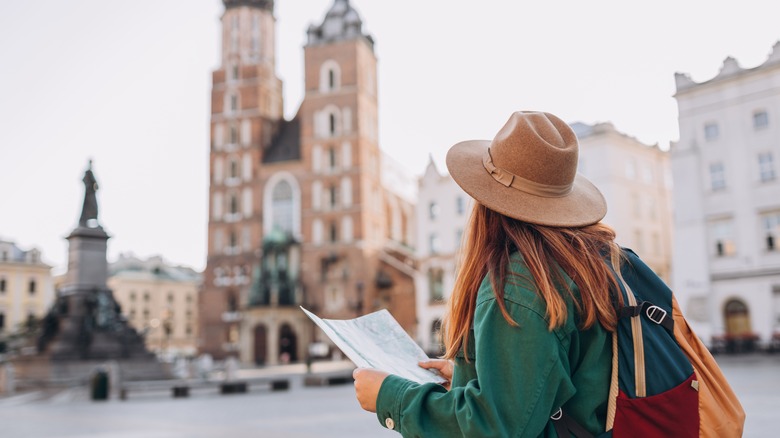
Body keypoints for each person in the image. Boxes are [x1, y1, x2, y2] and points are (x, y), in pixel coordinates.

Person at [353, 111, 627, 436]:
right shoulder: (589, 261)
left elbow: (493, 428)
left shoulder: (519, 286)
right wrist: (471, 378)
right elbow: (552, 382)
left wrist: (390, 397)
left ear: (486, 203)